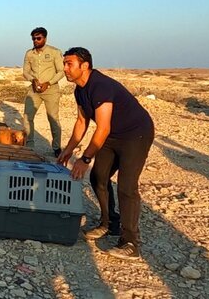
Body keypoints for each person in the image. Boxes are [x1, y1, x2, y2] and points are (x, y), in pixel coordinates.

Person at [57, 47, 154, 260]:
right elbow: (82, 122)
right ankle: (109, 223)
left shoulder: (100, 86)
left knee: (127, 187)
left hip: (135, 134)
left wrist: (85, 158)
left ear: (84, 65)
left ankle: (131, 242)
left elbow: (102, 128)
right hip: (112, 135)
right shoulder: (79, 90)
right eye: (64, 63)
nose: (65, 68)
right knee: (98, 177)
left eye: (69, 63)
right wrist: (68, 150)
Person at [22, 27, 64, 156]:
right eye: (34, 38)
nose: (36, 41)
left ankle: (56, 147)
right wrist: (32, 80)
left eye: (38, 38)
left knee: (53, 118)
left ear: (45, 38)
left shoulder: (55, 52)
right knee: (27, 116)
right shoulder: (29, 54)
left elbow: (61, 71)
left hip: (51, 90)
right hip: (34, 90)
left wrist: (48, 83)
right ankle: (29, 146)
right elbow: (25, 72)